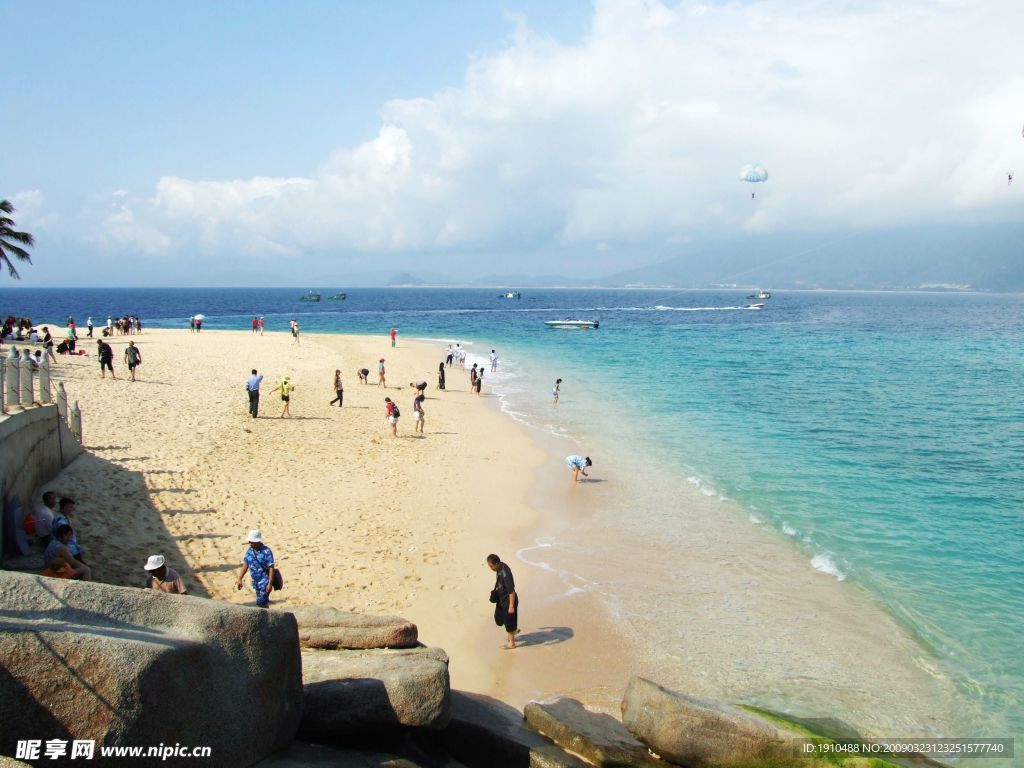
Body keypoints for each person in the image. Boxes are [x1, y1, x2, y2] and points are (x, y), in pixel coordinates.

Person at [235, 529, 276, 608]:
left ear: (258, 542)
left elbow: (271, 567)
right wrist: (240, 578)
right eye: (250, 541)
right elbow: (246, 564)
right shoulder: (250, 551)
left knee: (260, 602)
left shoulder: (266, 551)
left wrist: (270, 583)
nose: (250, 543)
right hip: (256, 582)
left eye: (252, 542)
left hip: (265, 581)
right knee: (262, 602)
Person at [487, 554, 519, 649]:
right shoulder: (499, 568)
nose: (490, 568)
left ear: (497, 564)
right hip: (501, 600)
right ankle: (513, 630)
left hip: (509, 601)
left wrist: (511, 606)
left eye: (491, 566)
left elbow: (511, 591)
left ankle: (511, 643)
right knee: (499, 619)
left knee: (509, 622)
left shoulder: (506, 573)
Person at [52, 498, 84, 563]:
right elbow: (64, 539)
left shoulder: (61, 517)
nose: (72, 509)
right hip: (69, 548)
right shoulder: (61, 521)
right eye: (70, 507)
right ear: (64, 507)